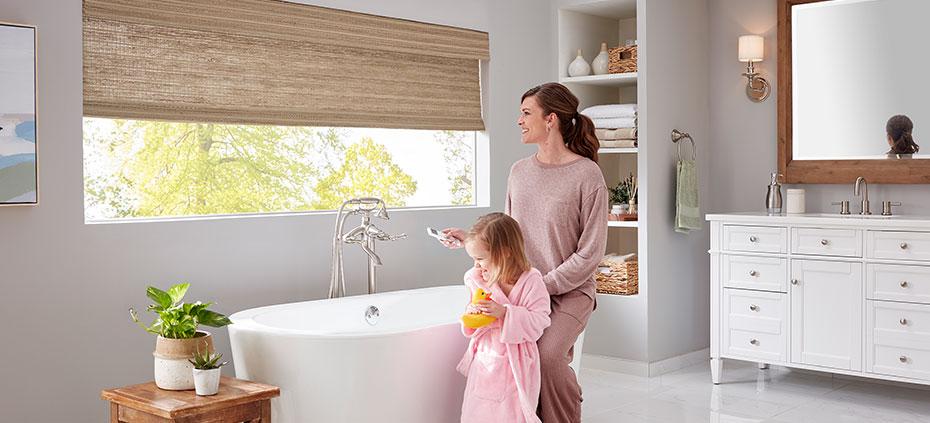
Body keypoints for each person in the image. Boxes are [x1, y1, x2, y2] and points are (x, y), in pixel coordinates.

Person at [444, 82, 608, 422]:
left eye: (526, 113)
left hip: (570, 293)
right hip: (521, 290)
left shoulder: (587, 175)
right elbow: (507, 235)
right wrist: (470, 239)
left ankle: (565, 411)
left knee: (546, 357)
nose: (519, 120)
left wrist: (541, 285)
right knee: (517, 356)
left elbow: (590, 253)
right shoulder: (519, 172)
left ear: (550, 120)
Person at [457, 212, 552, 423]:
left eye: (481, 259)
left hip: (516, 363)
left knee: (512, 414)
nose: (476, 266)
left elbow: (540, 320)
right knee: (477, 411)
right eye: (474, 259)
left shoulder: (531, 282)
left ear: (505, 253)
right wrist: (472, 314)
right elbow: (471, 315)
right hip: (486, 358)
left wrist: (505, 313)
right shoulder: (479, 280)